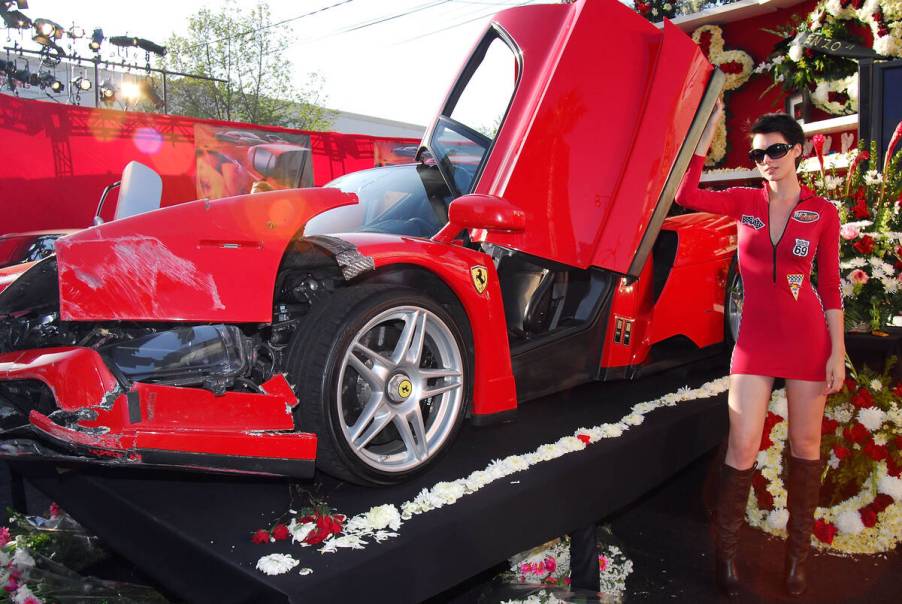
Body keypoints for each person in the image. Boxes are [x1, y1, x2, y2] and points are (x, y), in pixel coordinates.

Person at [674, 100, 845, 598]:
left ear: (798, 150)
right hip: (753, 342)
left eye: (776, 150)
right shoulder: (744, 202)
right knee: (742, 445)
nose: (767, 159)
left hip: (808, 340)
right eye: (758, 153)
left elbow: (830, 289)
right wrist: (704, 140)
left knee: (805, 448)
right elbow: (686, 192)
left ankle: (797, 561)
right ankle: (725, 557)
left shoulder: (823, 212)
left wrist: (836, 352)